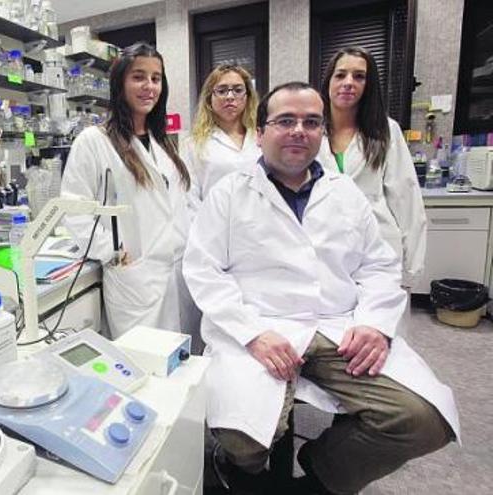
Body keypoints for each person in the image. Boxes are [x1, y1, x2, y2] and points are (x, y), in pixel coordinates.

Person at [182, 82, 459, 495]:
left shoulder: (344, 193)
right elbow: (204, 270)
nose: (299, 130)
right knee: (242, 439)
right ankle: (242, 466)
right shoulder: (228, 194)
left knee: (424, 421)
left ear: (322, 133)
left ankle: (323, 471)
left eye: (311, 122)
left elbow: (380, 265)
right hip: (259, 328)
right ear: (261, 133)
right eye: (285, 121)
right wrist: (253, 334)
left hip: (337, 327)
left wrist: (375, 325)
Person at [60, 42, 194, 339]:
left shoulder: (163, 143)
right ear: (119, 83)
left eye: (156, 78)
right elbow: (74, 207)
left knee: (181, 370)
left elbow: (182, 204)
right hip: (135, 280)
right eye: (138, 77)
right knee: (143, 371)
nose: (149, 86)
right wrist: (112, 253)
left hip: (178, 275)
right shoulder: (94, 141)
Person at [317, 47, 427, 288]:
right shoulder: (311, 131)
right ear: (328, 81)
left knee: (380, 320)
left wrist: (413, 264)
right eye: (340, 75)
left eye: (359, 76)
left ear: (369, 84)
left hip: (377, 240)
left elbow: (406, 196)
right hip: (324, 243)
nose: (348, 82)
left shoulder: (386, 131)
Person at [181, 64, 261, 201]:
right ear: (209, 98)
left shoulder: (261, 139)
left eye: (238, 90)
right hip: (214, 221)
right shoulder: (193, 145)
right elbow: (189, 199)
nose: (230, 96)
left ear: (247, 96)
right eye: (222, 91)